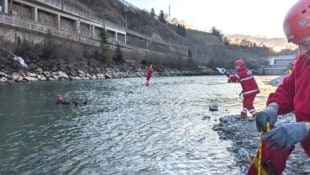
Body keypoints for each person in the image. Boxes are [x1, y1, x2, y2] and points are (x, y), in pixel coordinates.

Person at [248, 0, 310, 174]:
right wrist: (272, 108)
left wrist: (305, 128)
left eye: (305, 43)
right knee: (272, 145)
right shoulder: (304, 62)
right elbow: (288, 90)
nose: (302, 51)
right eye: (299, 45)